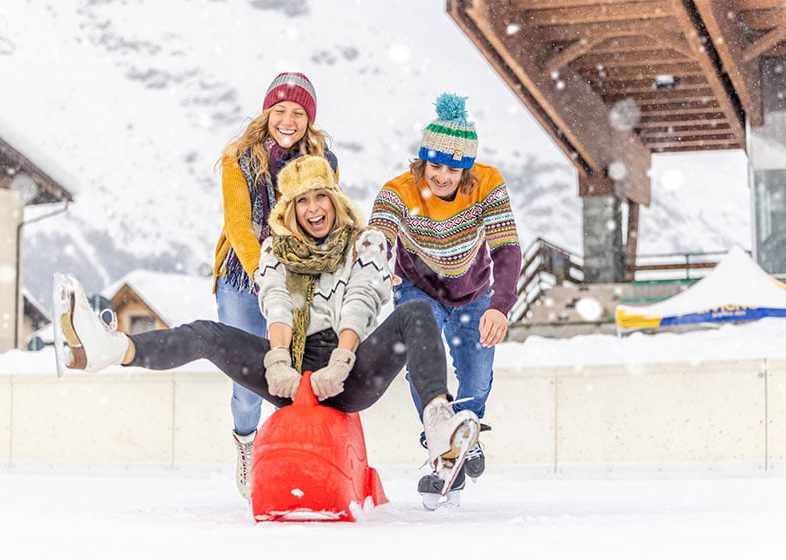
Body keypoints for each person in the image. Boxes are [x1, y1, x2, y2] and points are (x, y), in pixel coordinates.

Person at [53, 155, 479, 508]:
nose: (313, 209)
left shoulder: (366, 243)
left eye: (320, 197)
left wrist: (343, 359)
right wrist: (277, 360)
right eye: (301, 202)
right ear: (288, 210)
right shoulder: (277, 249)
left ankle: (439, 425)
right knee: (210, 334)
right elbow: (276, 301)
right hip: (289, 372)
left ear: (334, 199)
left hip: (351, 371)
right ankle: (110, 350)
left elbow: (362, 300)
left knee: (417, 311)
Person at [368, 93, 522, 497]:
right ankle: (439, 442)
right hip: (417, 289)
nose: (442, 176)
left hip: (474, 291)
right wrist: (378, 271)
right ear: (422, 162)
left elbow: (506, 247)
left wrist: (500, 306)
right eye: (434, 166)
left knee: (477, 377)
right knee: (423, 360)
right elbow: (377, 237)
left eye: (453, 170)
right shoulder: (397, 190)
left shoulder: (488, 183)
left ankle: (467, 430)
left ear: (467, 169)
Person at [212, 71, 338, 502]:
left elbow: (328, 217)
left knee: (302, 373)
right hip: (243, 278)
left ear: (309, 119)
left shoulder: (323, 161)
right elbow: (239, 225)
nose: (288, 120)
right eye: (280, 110)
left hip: (301, 276)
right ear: (267, 113)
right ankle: (247, 444)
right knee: (248, 378)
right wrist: (262, 272)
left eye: (298, 112)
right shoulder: (239, 158)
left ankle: (300, 455)